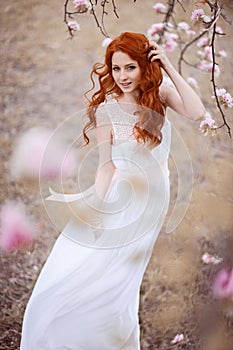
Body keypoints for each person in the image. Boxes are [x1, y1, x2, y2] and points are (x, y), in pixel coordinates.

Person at [20, 32, 205, 349]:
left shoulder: (160, 94)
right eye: (116, 69)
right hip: (122, 197)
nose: (122, 77)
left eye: (130, 68)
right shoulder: (108, 109)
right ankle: (74, 334)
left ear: (145, 66)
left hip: (153, 201)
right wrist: (94, 210)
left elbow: (197, 112)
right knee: (93, 266)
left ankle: (111, 336)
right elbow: (107, 167)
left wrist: (170, 68)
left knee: (123, 280)